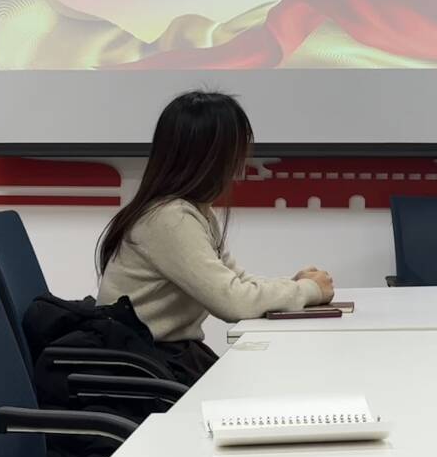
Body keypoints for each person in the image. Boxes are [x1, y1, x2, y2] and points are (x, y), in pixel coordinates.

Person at [96, 90, 334, 377]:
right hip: (142, 368)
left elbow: (235, 280)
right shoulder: (169, 219)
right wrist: (308, 290)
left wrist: (293, 285)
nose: (242, 161)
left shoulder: (193, 211)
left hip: (160, 357)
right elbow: (233, 302)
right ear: (212, 156)